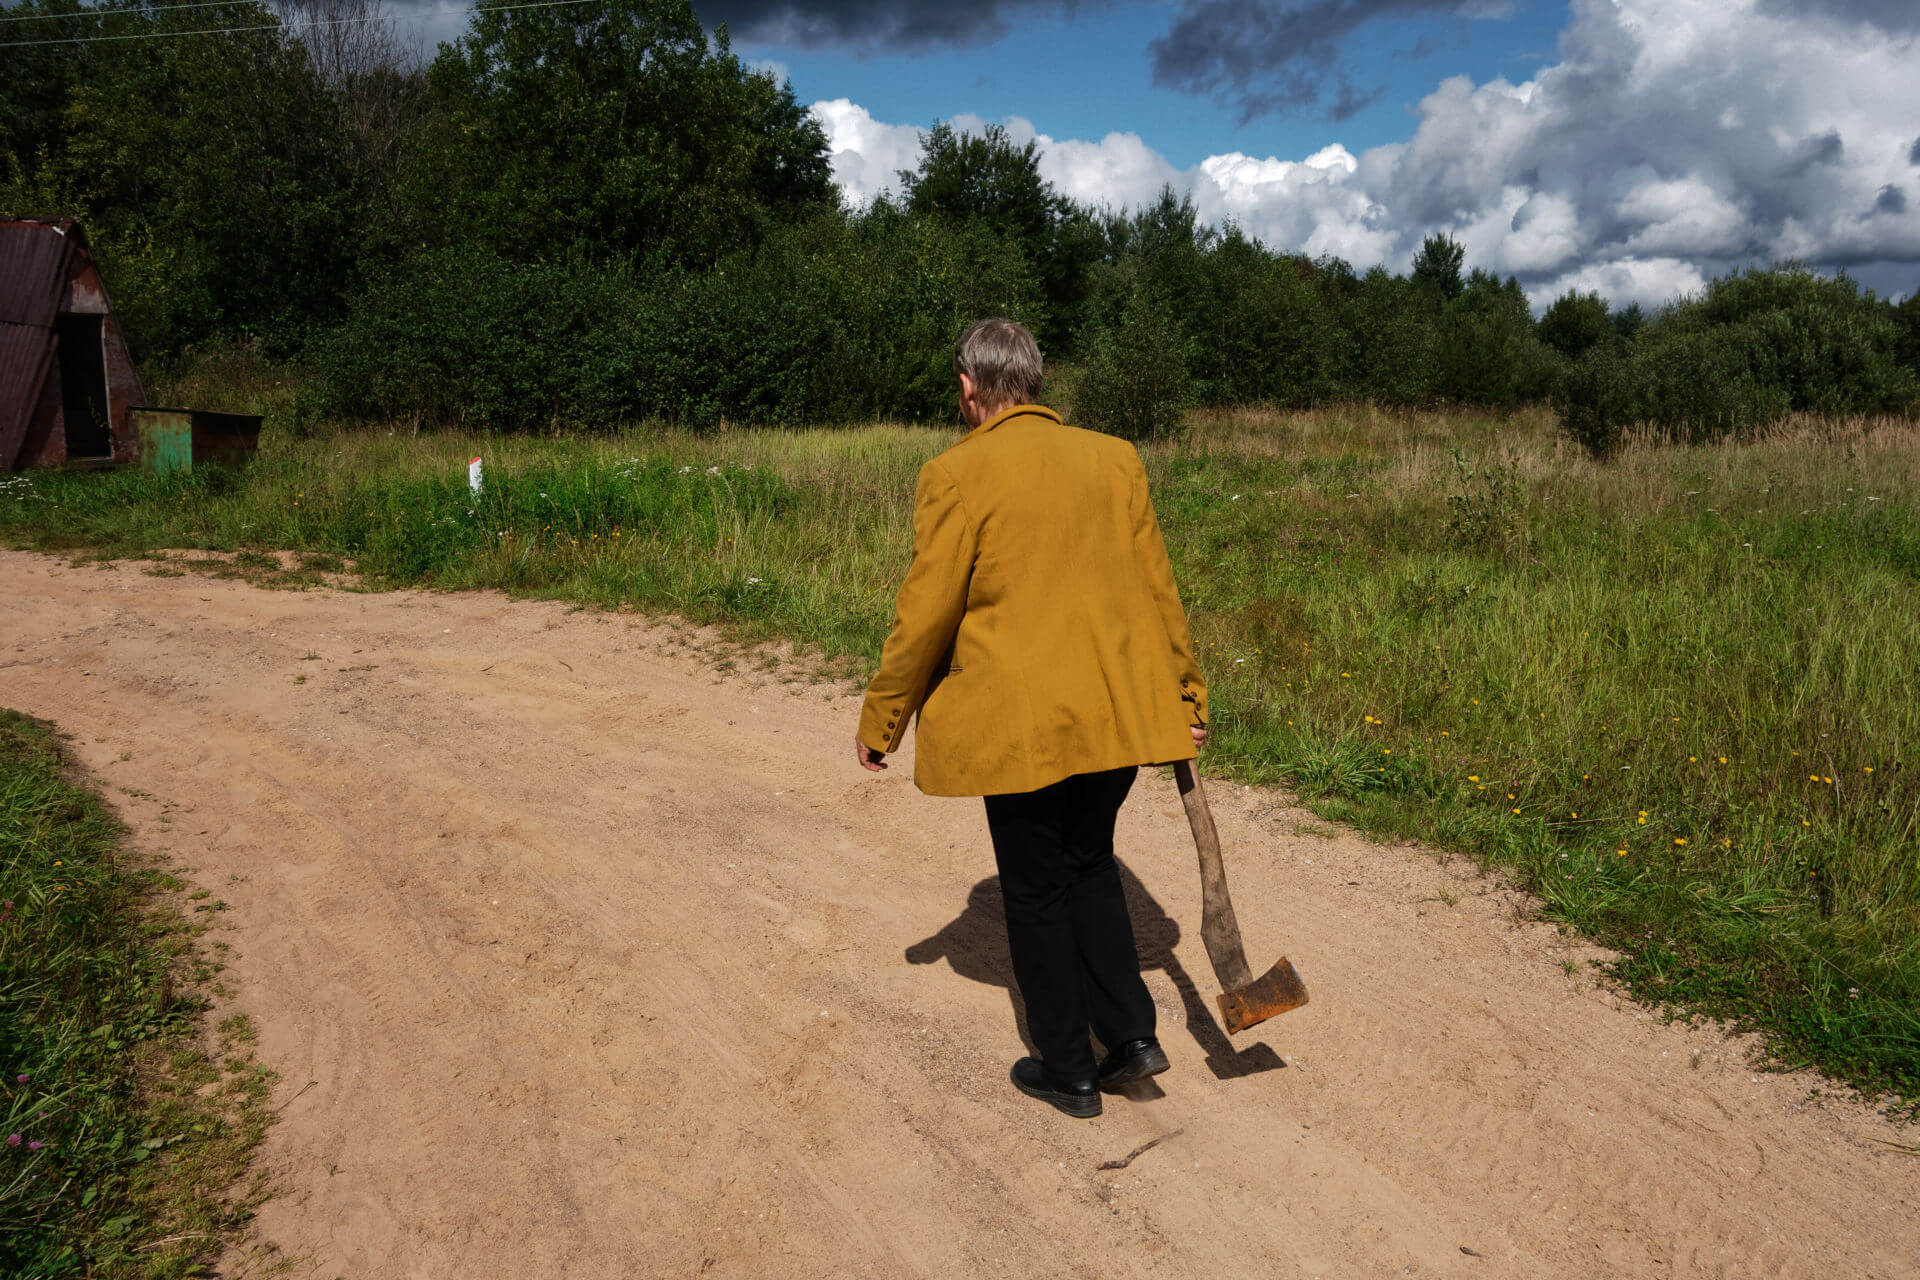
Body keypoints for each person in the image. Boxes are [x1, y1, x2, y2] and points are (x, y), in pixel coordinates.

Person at [852, 317, 1209, 1119]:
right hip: (1114, 720)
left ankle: (1066, 1066)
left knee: (1036, 887)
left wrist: (884, 720)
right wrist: (1187, 698)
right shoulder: (1114, 459)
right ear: (1035, 381)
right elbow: (1160, 592)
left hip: (1020, 727)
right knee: (1090, 861)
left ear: (971, 388)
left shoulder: (955, 473)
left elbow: (925, 614)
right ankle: (1129, 1038)